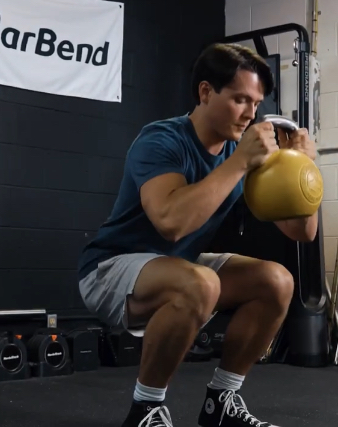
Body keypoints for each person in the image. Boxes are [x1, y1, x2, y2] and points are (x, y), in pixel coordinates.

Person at [76, 42, 319, 427]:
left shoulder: (240, 153)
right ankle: (146, 409)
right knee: (201, 284)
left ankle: (221, 402)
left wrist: (303, 170)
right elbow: (171, 223)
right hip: (110, 268)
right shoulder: (162, 140)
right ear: (206, 92)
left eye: (255, 103)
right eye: (240, 99)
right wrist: (240, 163)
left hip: (179, 266)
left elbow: (300, 231)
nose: (250, 114)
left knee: (277, 281)